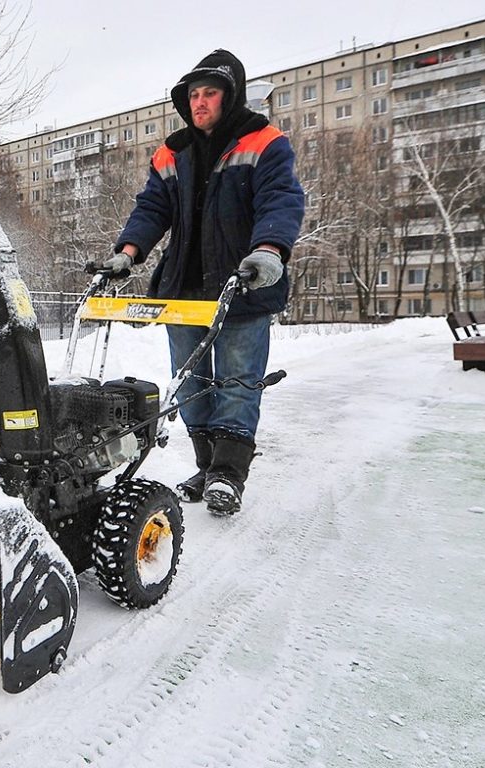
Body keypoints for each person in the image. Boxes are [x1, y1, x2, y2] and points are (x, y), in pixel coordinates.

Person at [95, 49, 305, 516]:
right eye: (193, 94)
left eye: (210, 93)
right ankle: (207, 466)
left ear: (230, 96)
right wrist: (127, 253)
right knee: (190, 385)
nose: (200, 102)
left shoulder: (264, 142)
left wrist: (268, 251)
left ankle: (228, 476)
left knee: (236, 382)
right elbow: (153, 207)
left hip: (242, 285)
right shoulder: (174, 151)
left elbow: (281, 201)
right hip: (184, 290)